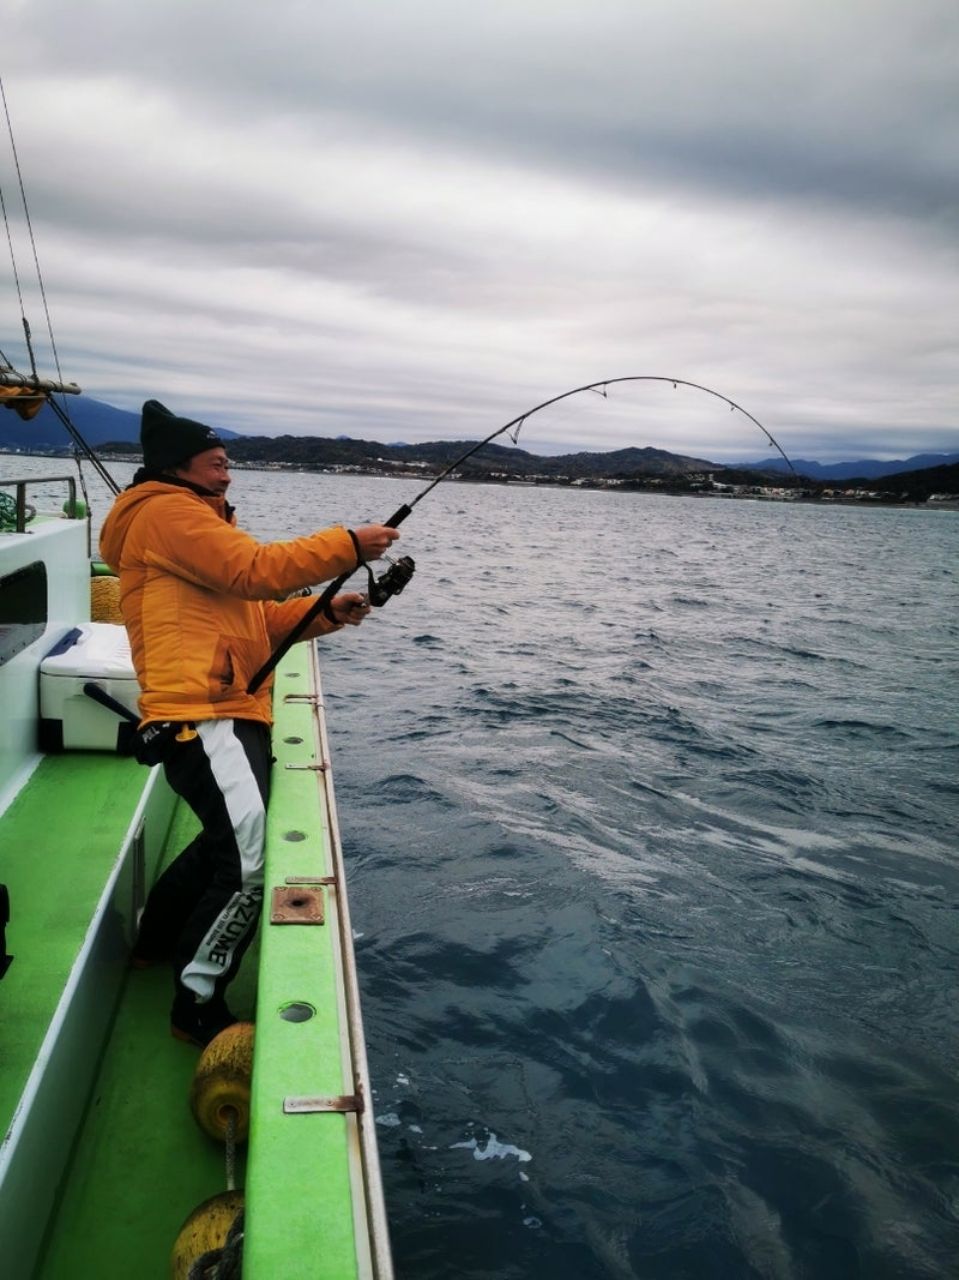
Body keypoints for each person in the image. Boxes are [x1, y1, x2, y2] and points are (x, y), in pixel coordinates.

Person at [99, 399, 399, 1046]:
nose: (227, 475)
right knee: (248, 863)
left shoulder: (184, 519)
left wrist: (327, 613)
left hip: (220, 708)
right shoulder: (166, 512)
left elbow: (254, 620)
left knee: (222, 844)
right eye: (217, 463)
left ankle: (154, 943)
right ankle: (196, 1005)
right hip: (201, 716)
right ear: (179, 467)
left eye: (227, 464)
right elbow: (257, 571)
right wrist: (349, 543)